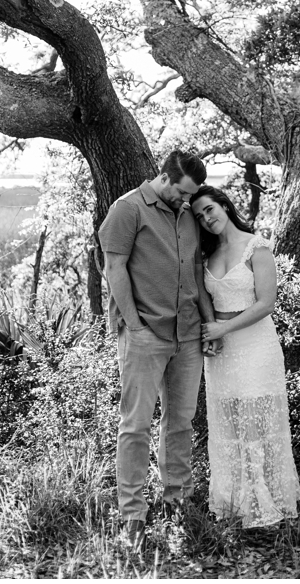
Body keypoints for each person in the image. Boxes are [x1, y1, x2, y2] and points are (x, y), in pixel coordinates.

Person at [99, 149, 216, 550]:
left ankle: (176, 503)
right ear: (165, 179)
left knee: (181, 423)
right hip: (145, 334)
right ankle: (132, 515)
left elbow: (197, 272)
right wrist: (134, 326)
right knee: (135, 426)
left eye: (191, 195)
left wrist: (209, 321)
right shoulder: (127, 209)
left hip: (188, 335)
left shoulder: (185, 214)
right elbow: (114, 269)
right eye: (182, 193)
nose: (187, 202)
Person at [191, 185, 300, 527]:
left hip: (255, 345)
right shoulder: (205, 255)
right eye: (199, 216)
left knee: (255, 424)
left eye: (209, 209)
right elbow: (203, 296)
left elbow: (266, 303)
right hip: (221, 353)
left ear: (224, 205)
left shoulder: (257, 246)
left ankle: (265, 506)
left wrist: (223, 330)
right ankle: (235, 503)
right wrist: (211, 330)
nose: (207, 219)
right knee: (229, 426)